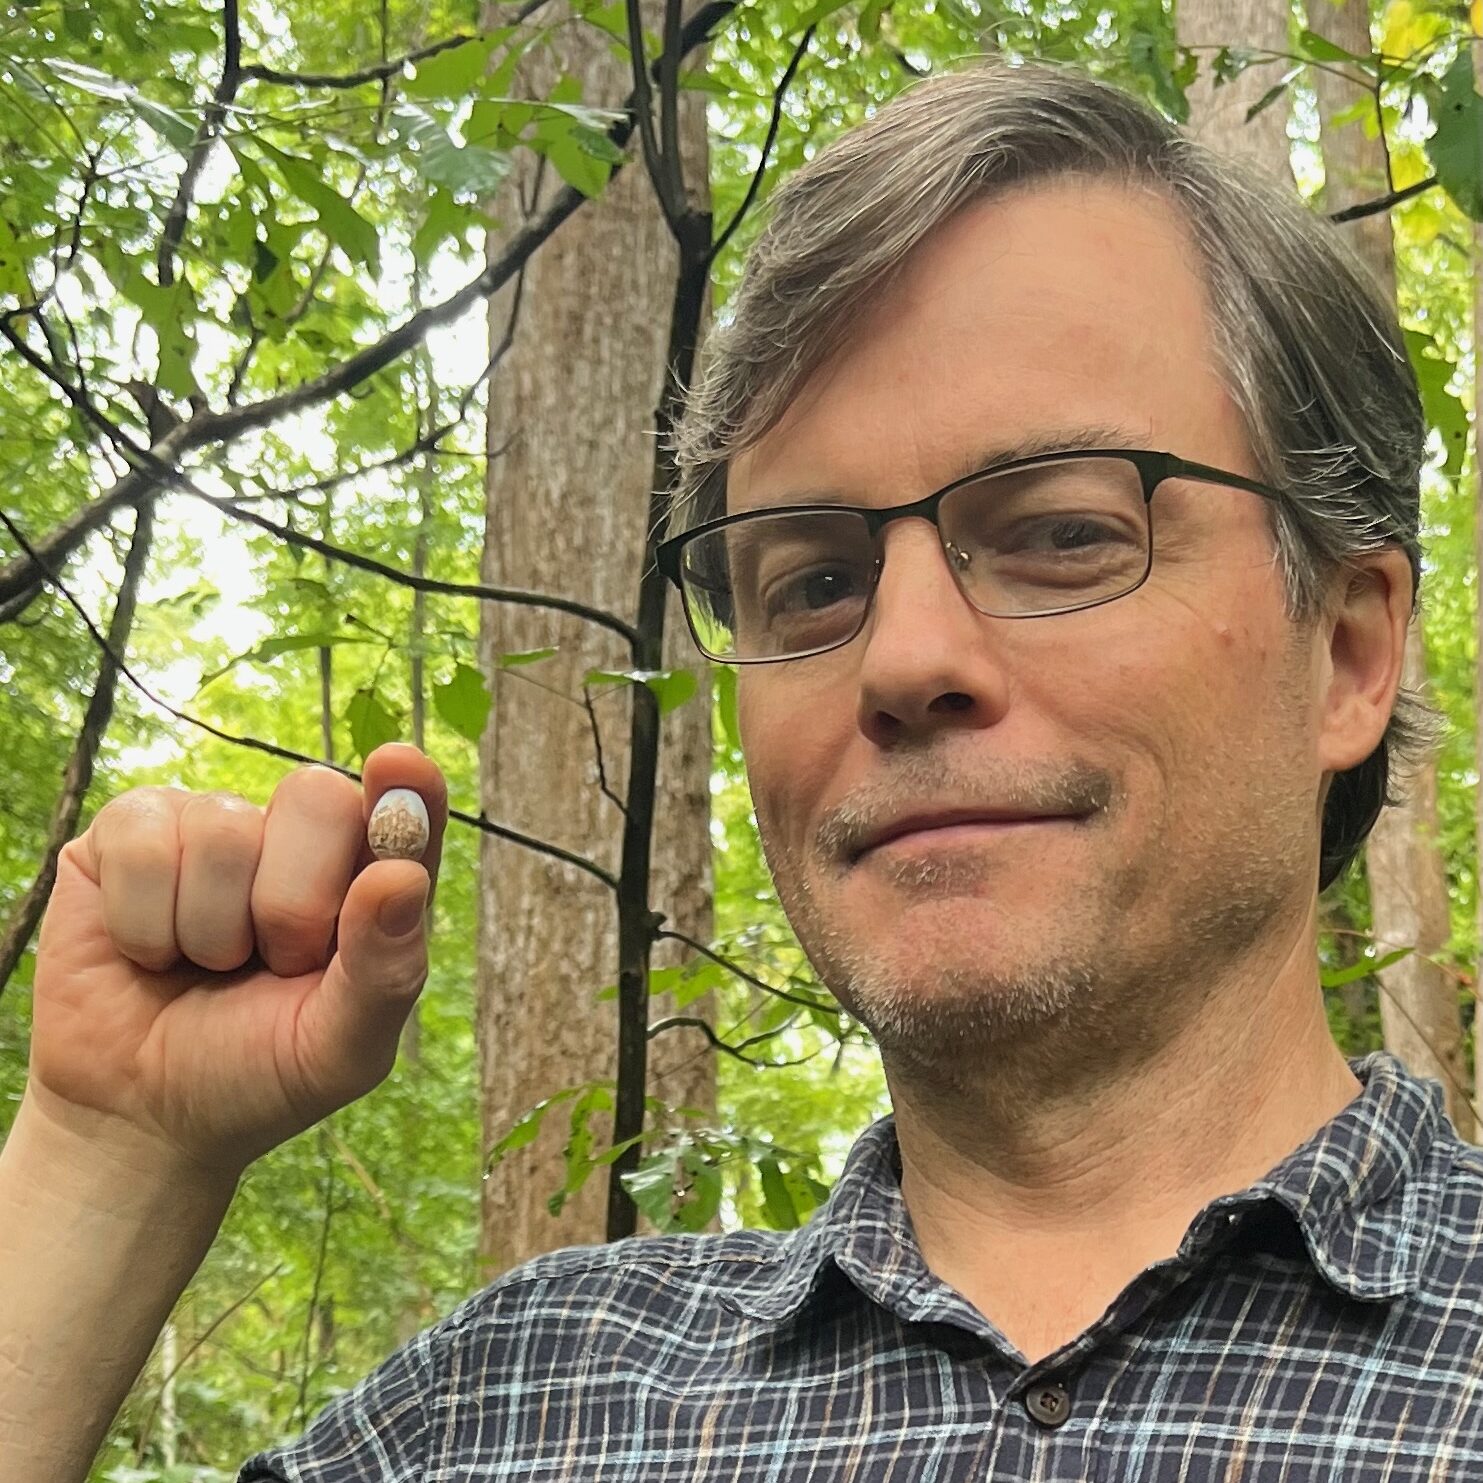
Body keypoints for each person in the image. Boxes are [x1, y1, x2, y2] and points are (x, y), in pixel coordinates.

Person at [3, 55, 1478, 1483]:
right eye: (816, 581)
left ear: (1347, 652)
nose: (901, 658)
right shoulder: (507, 1413)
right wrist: (109, 1160)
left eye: (1063, 532)